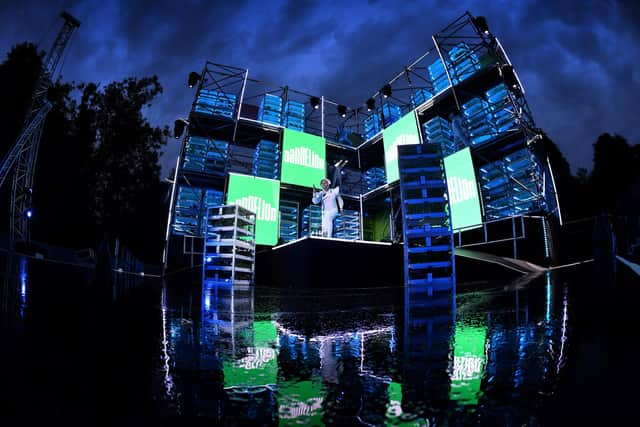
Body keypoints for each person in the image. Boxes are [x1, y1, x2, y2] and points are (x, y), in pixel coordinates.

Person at [312, 159, 347, 238]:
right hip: (325, 212)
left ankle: (329, 237)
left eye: (325, 183)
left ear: (328, 184)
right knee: (324, 222)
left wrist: (341, 208)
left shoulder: (334, 191)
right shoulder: (320, 193)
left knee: (328, 218)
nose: (324, 184)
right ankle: (324, 236)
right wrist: (314, 193)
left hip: (333, 210)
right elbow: (315, 201)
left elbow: (340, 199)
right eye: (322, 183)